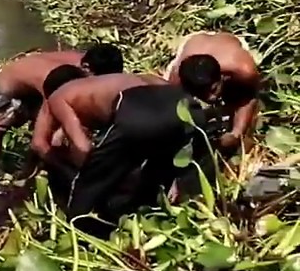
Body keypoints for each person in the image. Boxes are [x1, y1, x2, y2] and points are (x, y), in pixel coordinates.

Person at [32, 62, 217, 228]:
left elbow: (81, 147)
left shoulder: (57, 98)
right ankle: (156, 212)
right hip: (186, 110)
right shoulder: (115, 81)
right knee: (155, 172)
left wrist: (75, 170)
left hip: (137, 110)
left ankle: (79, 229)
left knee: (89, 186)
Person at [0, 44, 125, 193]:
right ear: (85, 68)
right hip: (3, 96)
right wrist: (72, 172)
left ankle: (24, 180)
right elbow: (41, 141)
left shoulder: (90, 64)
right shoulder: (58, 78)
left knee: (50, 139)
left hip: (32, 92)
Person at [164, 31, 261, 153]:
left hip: (227, 45)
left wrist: (236, 133)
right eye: (201, 93)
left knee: (239, 97)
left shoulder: (243, 69)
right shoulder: (176, 79)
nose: (210, 98)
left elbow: (249, 97)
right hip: (193, 43)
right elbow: (171, 112)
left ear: (223, 77)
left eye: (213, 89)